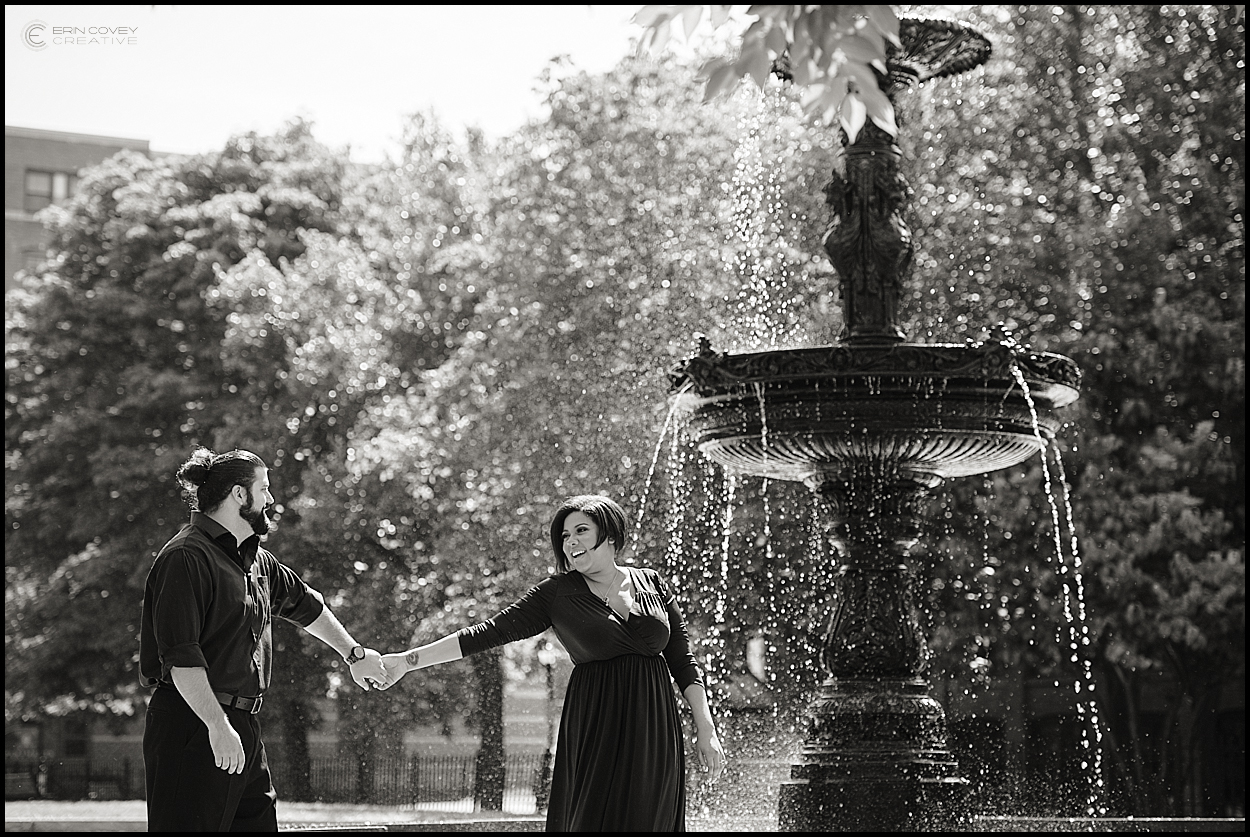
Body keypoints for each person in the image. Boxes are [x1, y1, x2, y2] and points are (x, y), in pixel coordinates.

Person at [378, 494, 726, 832]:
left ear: (610, 534)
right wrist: (408, 662)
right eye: (564, 536)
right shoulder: (556, 592)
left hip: (654, 725)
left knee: (652, 816)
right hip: (597, 721)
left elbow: (683, 662)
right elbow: (485, 633)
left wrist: (706, 730)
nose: (569, 542)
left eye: (581, 531)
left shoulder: (651, 582)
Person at [139, 447, 388, 832]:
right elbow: (181, 657)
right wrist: (217, 727)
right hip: (193, 724)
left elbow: (307, 606)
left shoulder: (257, 560)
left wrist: (354, 655)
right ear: (239, 495)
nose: (271, 499)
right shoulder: (185, 556)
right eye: (264, 488)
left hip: (243, 725)